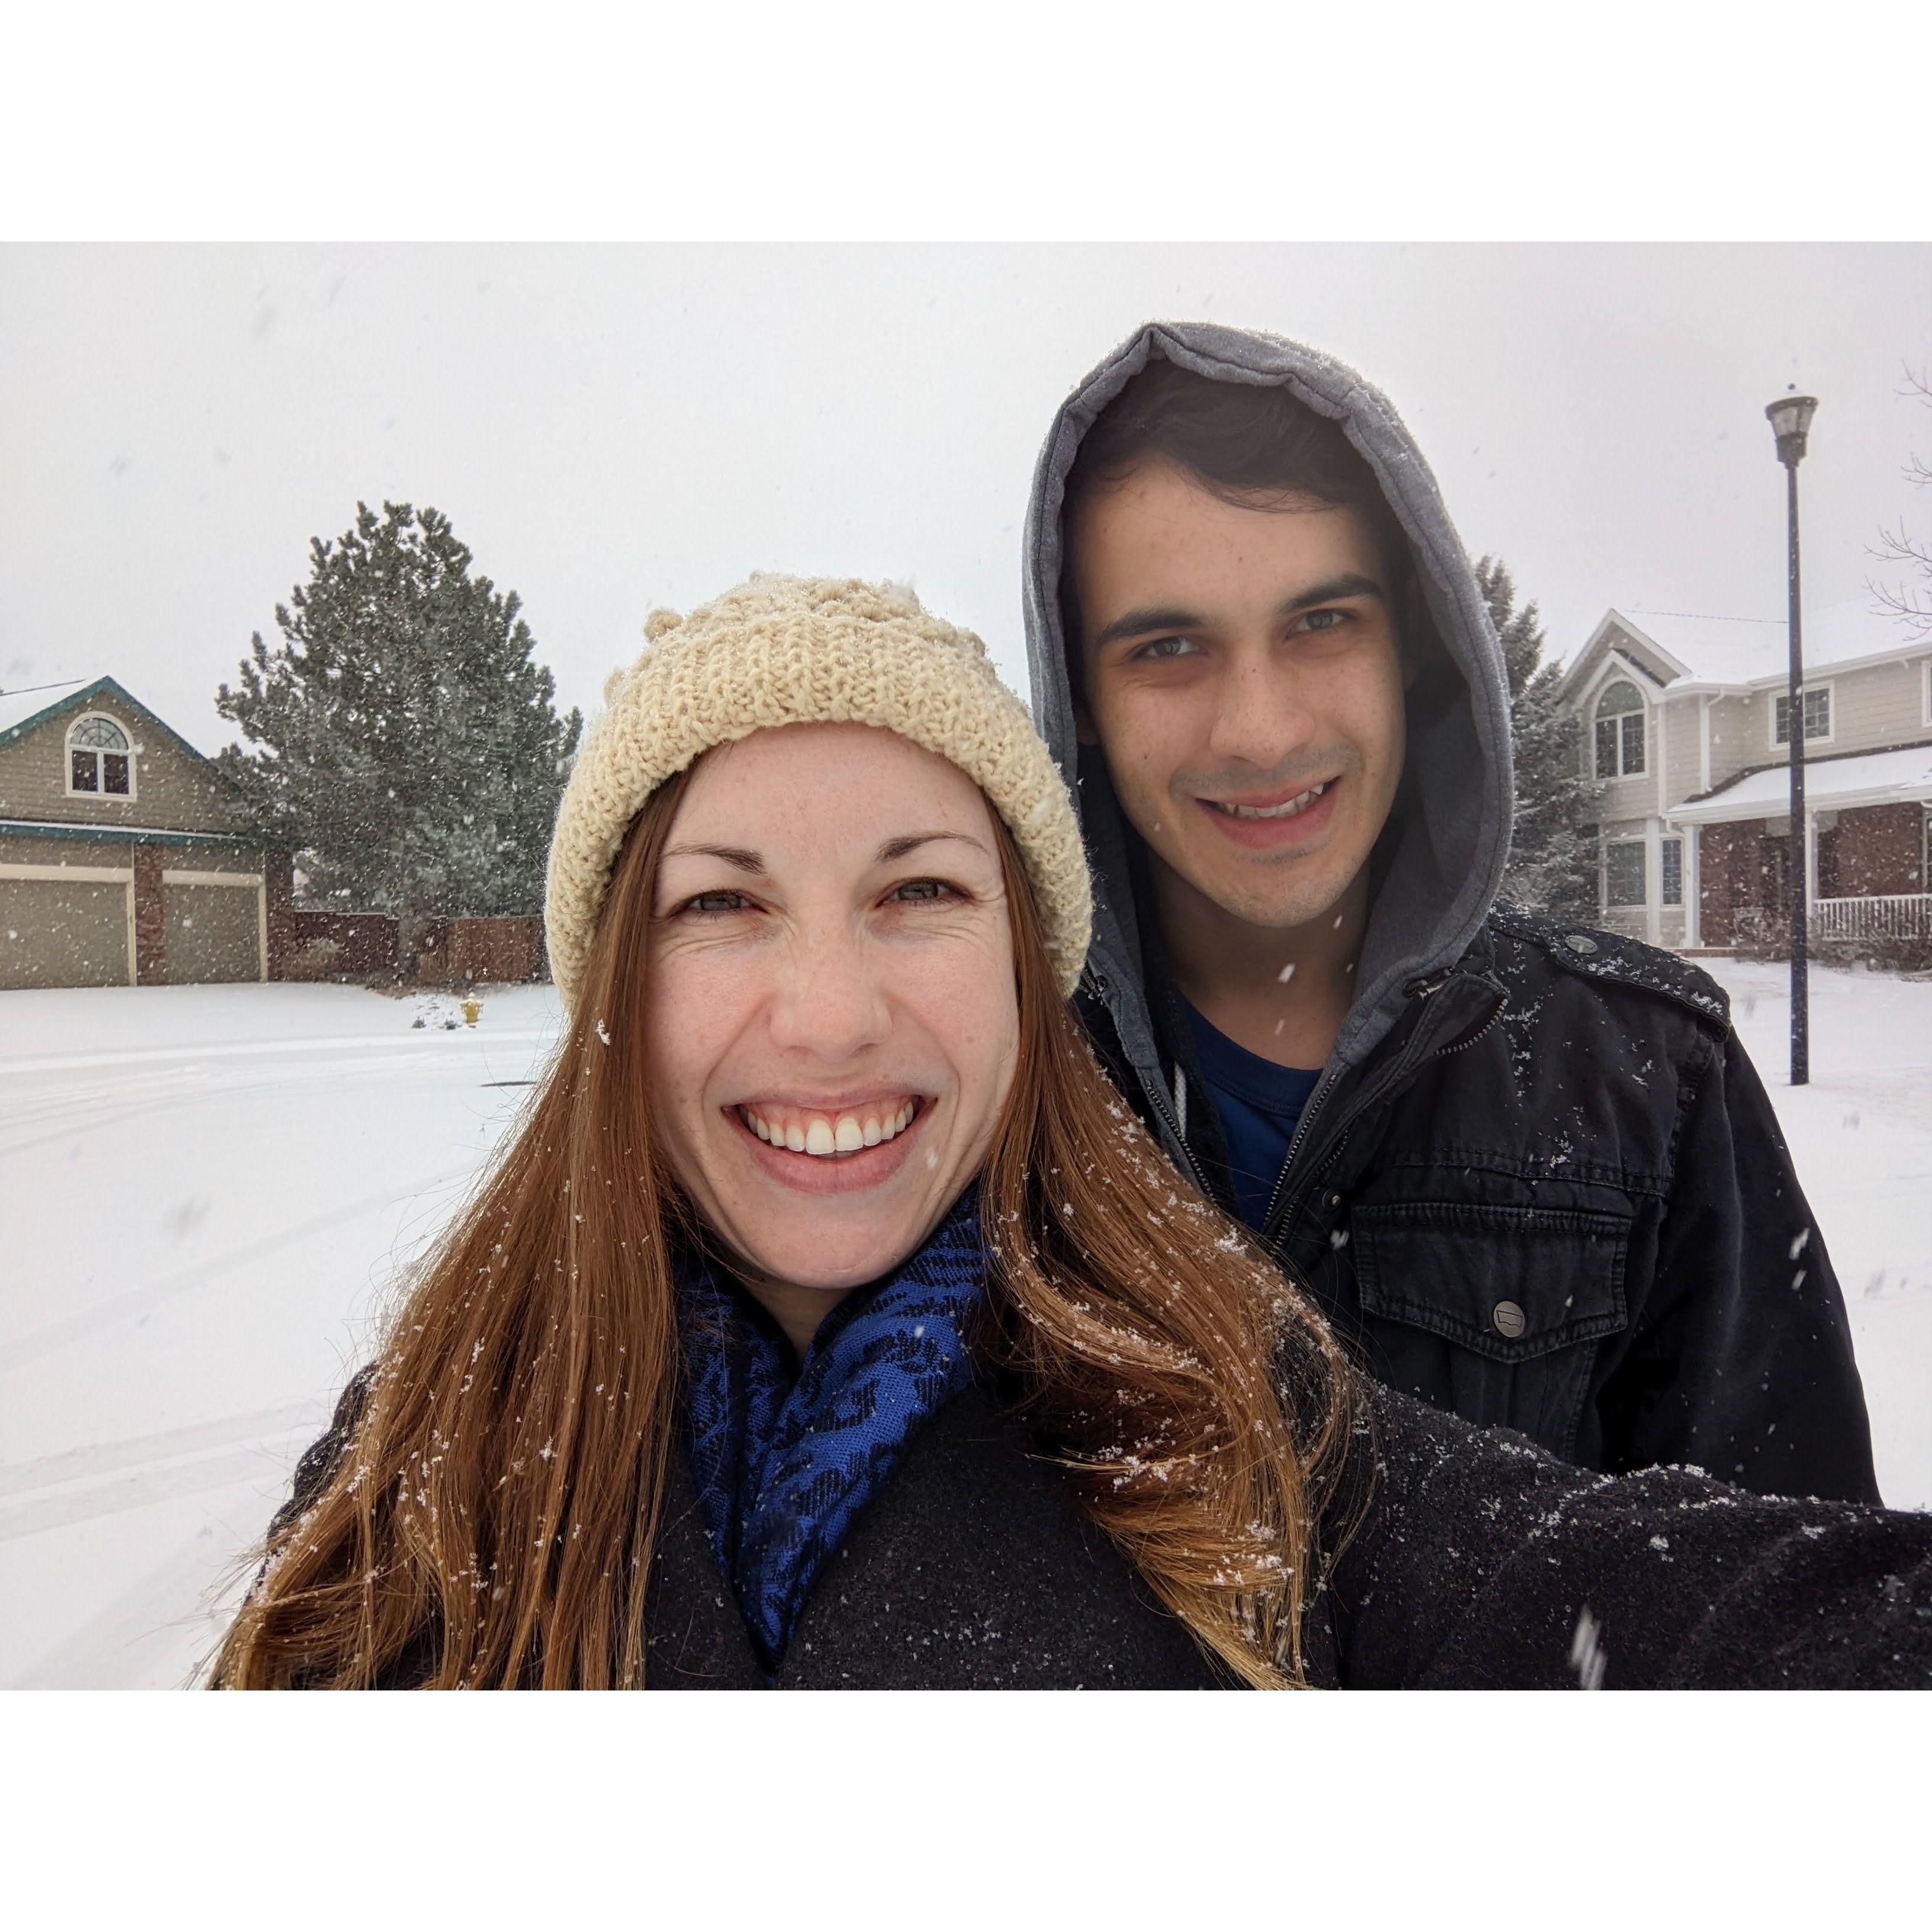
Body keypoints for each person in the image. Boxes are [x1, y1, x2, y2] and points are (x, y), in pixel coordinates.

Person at [212, 577, 1932, 1692]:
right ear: (612, 997)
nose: (825, 1014)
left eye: (923, 892)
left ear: (1032, 983)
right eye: (721, 906)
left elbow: (1644, 1606)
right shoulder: (433, 1455)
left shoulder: (1222, 1405)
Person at [1023, 324, 1880, 1502]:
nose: (1262, 733)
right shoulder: (997, 1090)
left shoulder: (1647, 1080)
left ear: (1411, 654)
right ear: (1079, 702)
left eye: (1322, 624)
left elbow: (1778, 1623)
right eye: (1169, 648)